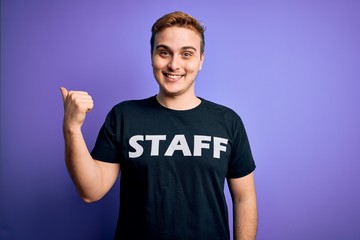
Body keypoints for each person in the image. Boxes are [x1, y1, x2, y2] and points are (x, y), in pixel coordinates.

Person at [60, 11, 257, 240]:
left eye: (186, 54)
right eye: (164, 52)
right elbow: (90, 191)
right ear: (152, 55)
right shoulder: (124, 116)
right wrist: (71, 129)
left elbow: (245, 198)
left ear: (201, 60)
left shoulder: (227, 121)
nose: (174, 64)